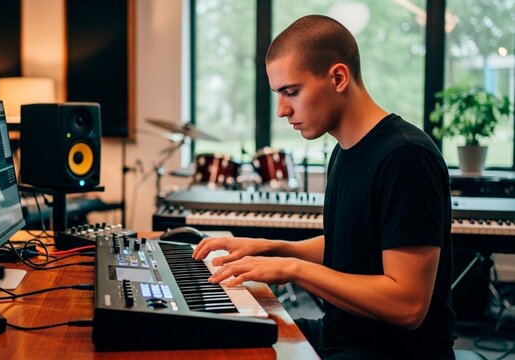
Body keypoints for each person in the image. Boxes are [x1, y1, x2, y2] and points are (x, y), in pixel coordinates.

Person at [192, 14, 455, 359]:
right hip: (340, 335)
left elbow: (407, 304)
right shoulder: (344, 152)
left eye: (291, 92)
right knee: (219, 336)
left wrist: (291, 270)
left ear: (338, 77)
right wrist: (272, 248)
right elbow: (356, 245)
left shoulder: (406, 156)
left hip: (391, 352)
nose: (282, 111)